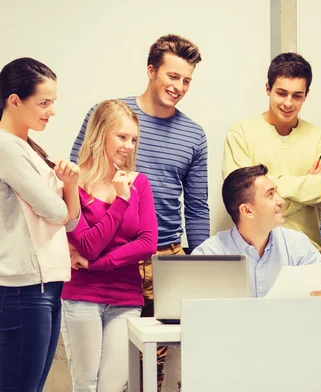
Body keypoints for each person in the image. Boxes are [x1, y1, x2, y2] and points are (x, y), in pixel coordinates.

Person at [70, 34, 206, 390]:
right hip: (104, 250)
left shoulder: (194, 135)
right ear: (151, 71)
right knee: (109, 371)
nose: (179, 86)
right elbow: (77, 174)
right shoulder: (112, 115)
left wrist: (201, 264)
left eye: (187, 80)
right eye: (172, 76)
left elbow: (196, 206)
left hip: (165, 256)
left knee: (161, 364)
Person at [61, 100, 158, 391]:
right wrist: (120, 201)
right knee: (87, 385)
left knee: (112, 387)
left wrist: (97, 265)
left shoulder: (139, 182)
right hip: (81, 297)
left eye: (133, 139)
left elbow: (148, 243)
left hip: (126, 299)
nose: (129, 146)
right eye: (122, 136)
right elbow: (89, 245)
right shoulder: (72, 184)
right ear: (101, 133)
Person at [0, 57, 80, 392]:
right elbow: (54, 212)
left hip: (46, 284)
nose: (51, 111)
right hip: (22, 287)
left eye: (53, 102)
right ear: (14, 100)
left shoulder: (30, 147)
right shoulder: (5, 146)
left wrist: (71, 186)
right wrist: (64, 197)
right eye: (44, 103)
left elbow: (72, 220)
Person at [222, 53, 321, 255]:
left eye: (297, 96)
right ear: (268, 89)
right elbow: (240, 195)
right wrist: (306, 185)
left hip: (309, 252)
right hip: (253, 252)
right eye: (281, 93)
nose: (288, 103)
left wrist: (266, 187)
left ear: (306, 95)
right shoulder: (240, 134)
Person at [193, 164, 321, 297]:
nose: (281, 200)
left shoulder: (298, 245)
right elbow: (192, 311)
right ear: (247, 210)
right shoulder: (208, 255)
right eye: (270, 195)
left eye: (276, 192)